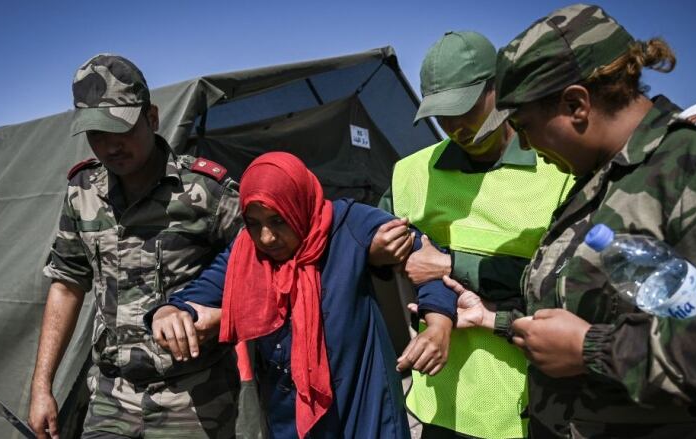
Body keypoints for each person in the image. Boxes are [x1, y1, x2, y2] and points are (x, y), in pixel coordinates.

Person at [466, 4, 696, 437]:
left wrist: (591, 350)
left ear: (576, 104)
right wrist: (495, 319)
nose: (524, 144)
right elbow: (581, 307)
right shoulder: (598, 175)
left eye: (525, 126)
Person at [148, 152, 458, 438]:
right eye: (254, 224)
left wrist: (438, 325)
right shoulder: (245, 251)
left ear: (299, 204)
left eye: (278, 220)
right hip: (291, 419)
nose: (267, 238)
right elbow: (198, 294)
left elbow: (425, 255)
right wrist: (169, 313)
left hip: (364, 411)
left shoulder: (347, 225)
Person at [28, 54, 245, 439]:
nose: (111, 147)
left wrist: (220, 314)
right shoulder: (82, 193)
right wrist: (41, 386)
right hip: (112, 396)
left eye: (121, 129)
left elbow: (261, 263)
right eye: (97, 134)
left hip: (194, 400)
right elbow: (66, 285)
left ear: (152, 118)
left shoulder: (204, 191)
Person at [377, 31, 572, 438]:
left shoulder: (557, 168)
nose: (454, 126)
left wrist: (451, 264)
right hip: (441, 402)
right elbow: (378, 244)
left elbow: (569, 283)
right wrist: (382, 250)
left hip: (528, 405)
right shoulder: (412, 173)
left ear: (499, 90)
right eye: (441, 115)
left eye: (465, 109)